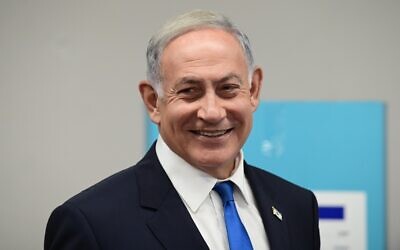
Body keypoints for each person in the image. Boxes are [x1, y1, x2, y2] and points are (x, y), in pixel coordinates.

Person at [44, 10, 320, 250]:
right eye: (189, 91)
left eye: (228, 88)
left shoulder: (297, 206)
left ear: (254, 89)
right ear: (153, 102)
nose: (212, 112)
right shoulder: (91, 223)